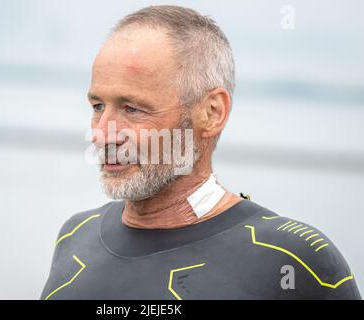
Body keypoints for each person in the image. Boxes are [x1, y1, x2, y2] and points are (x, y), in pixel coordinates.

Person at [41, 5, 361, 300]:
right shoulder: (76, 235)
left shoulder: (293, 259)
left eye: (133, 109)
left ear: (211, 113)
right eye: (98, 106)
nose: (101, 133)